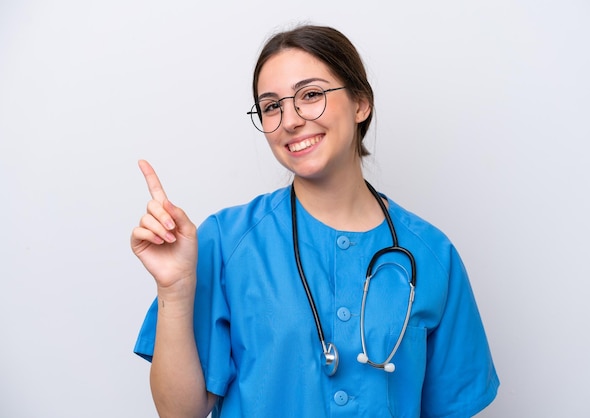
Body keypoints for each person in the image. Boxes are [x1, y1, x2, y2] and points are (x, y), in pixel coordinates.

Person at [132, 24, 499, 418]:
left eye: (310, 95)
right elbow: (179, 413)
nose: (290, 120)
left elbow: (452, 406)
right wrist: (174, 289)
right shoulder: (226, 241)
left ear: (361, 103)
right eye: (272, 106)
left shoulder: (432, 255)